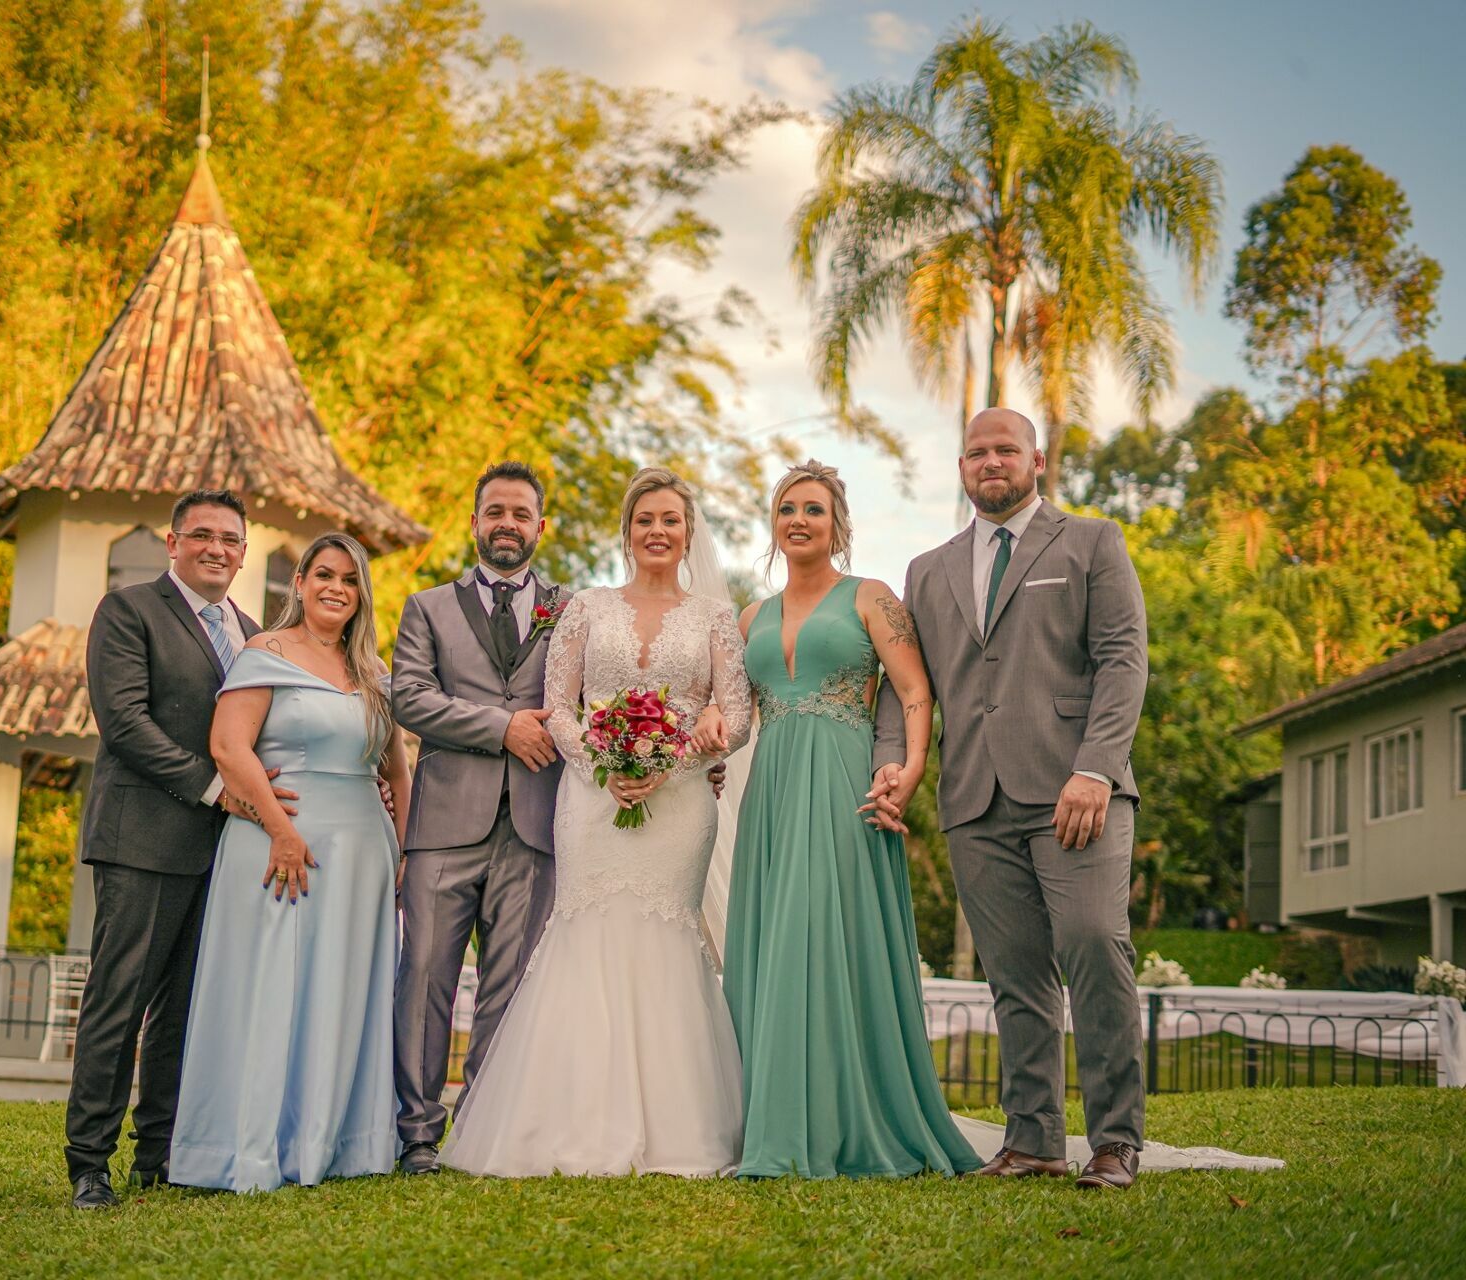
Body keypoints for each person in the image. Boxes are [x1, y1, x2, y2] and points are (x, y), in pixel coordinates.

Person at [441, 467, 752, 1177]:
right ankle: (563, 1121)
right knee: (585, 932)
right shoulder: (586, 607)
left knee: (664, 936)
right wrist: (611, 770)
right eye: (645, 518)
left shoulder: (713, 620)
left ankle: (679, 1127)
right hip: (590, 798)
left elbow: (734, 716)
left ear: (688, 533)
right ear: (627, 529)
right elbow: (559, 707)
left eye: (670, 520)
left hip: (679, 804)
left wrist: (671, 761)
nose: (657, 531)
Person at [870, 408, 1149, 1190]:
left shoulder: (1093, 543)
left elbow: (1123, 660)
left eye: (1006, 450)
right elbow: (906, 688)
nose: (991, 462)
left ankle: (1116, 1141)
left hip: (1076, 790)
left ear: (1038, 461)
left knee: (1094, 944)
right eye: (976, 452)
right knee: (1015, 973)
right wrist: (894, 765)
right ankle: (1032, 1141)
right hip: (974, 798)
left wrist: (1096, 766)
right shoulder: (926, 570)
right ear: (961, 468)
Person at [724, 461, 982, 1179]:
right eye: (786, 509)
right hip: (772, 788)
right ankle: (769, 1119)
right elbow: (740, 716)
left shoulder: (871, 597)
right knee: (777, 937)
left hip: (844, 781)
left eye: (814, 508)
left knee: (825, 935)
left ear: (838, 524)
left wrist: (910, 770)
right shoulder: (751, 615)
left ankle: (845, 1115)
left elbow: (915, 691)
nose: (799, 520)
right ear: (773, 525)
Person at [168, 532, 412, 1193]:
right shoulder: (264, 653)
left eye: (350, 579)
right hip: (282, 847)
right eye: (323, 574)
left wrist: (403, 852)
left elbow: (396, 767)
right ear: (298, 582)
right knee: (273, 984)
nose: (336, 587)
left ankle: (335, 1143)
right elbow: (228, 747)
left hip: (363, 849)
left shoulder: (375, 673)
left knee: (343, 988)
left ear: (362, 594)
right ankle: (251, 1147)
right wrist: (279, 830)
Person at [63, 489, 276, 1210]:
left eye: (231, 539)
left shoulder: (252, 635)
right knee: (118, 1002)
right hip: (142, 840)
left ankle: (159, 1155)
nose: (218, 548)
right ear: (174, 542)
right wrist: (215, 788)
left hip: (222, 853)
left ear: (244, 552)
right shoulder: (128, 611)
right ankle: (89, 1161)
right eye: (203, 535)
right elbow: (122, 722)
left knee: (185, 1010)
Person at [388, 462, 569, 1175]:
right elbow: (410, 697)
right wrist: (501, 728)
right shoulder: (427, 608)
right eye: (495, 511)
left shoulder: (572, 609)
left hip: (534, 825)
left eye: (521, 514)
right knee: (424, 978)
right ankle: (417, 1134)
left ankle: (480, 1127)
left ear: (540, 528)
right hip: (443, 826)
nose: (507, 524)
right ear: (473, 522)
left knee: (511, 985)